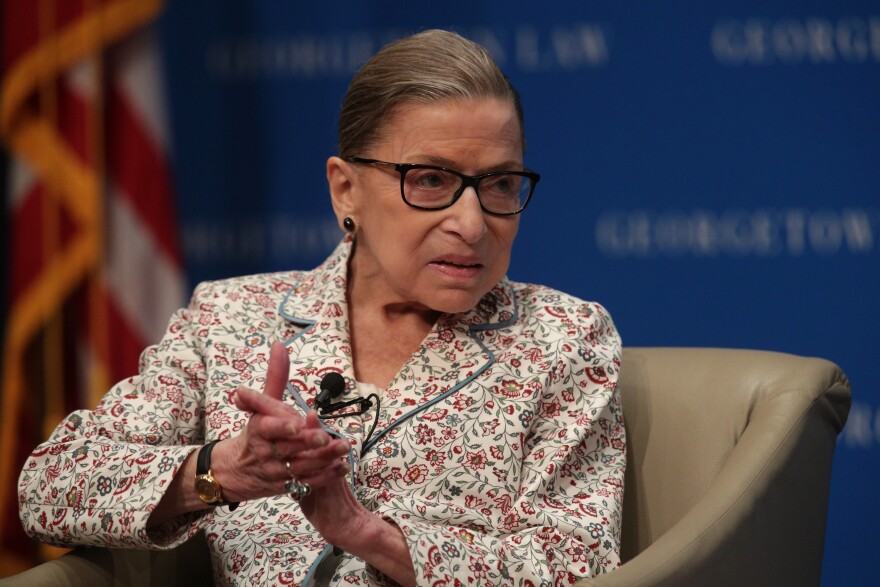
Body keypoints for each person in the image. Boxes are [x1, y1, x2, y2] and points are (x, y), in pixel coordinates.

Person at [18, 29, 625, 586]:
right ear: (345, 190)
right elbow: (48, 487)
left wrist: (369, 535)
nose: (471, 224)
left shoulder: (563, 338)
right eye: (432, 181)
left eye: (498, 184)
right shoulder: (231, 317)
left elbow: (578, 563)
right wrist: (219, 472)